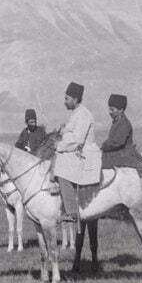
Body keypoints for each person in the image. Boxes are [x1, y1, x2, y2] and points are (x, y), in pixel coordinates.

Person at [52, 82, 101, 221]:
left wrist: (59, 146)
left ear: (75, 99)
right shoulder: (76, 113)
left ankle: (71, 212)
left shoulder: (83, 114)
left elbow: (77, 140)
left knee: (62, 171)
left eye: (67, 99)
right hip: (77, 151)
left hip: (86, 154)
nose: (65, 102)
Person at [100, 94, 142, 172]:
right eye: (109, 109)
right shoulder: (117, 122)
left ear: (121, 110)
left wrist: (103, 146)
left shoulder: (124, 123)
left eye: (112, 110)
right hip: (117, 152)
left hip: (124, 154)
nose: (109, 112)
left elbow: (117, 142)